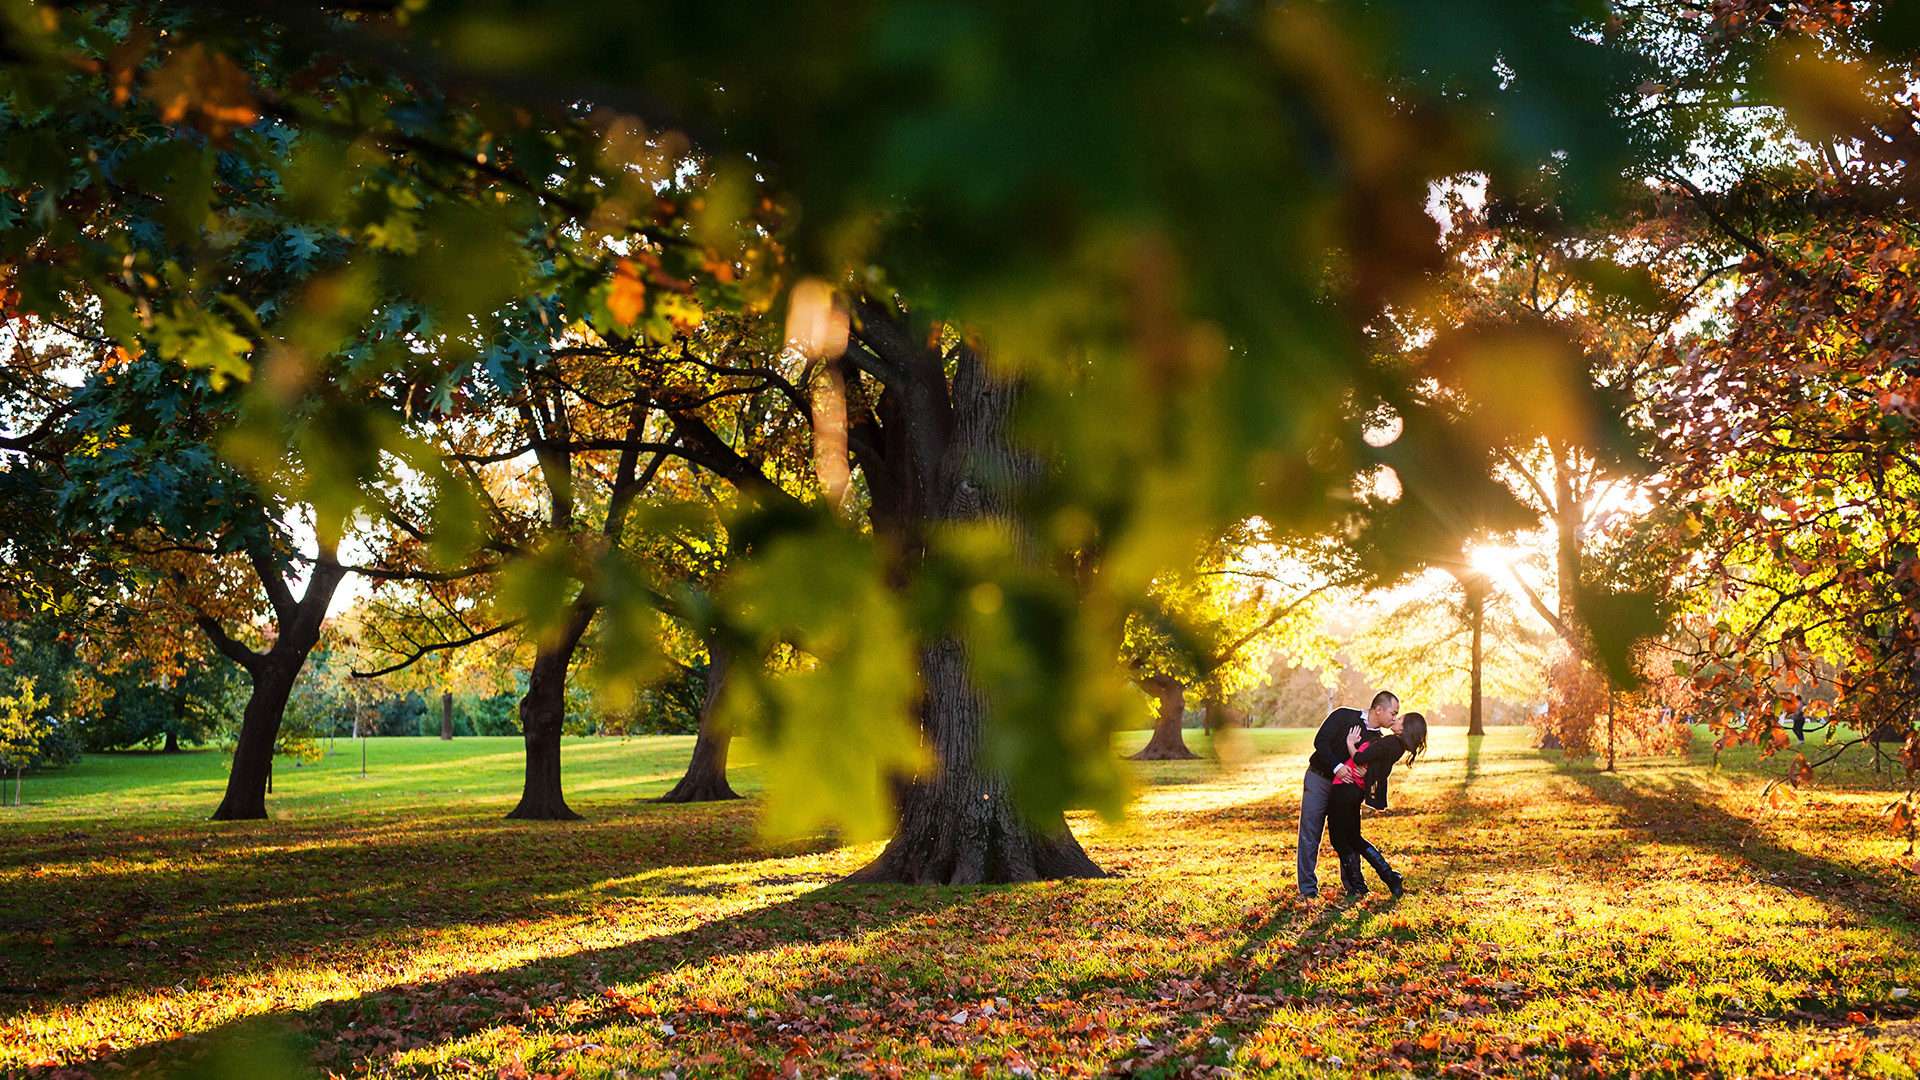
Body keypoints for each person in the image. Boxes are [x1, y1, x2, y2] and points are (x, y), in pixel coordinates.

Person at [1297, 690, 1398, 899]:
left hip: (1347, 790)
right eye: (1393, 713)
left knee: (1348, 834)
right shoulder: (1343, 715)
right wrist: (1337, 767)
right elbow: (1321, 741)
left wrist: (1367, 772)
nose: (1394, 718)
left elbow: (1379, 770)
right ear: (1379, 709)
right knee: (1310, 832)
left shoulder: (1380, 740)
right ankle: (1307, 890)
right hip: (1319, 779)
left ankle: (1354, 888)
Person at [1327, 711, 1428, 899]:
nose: (1396, 719)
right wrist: (1368, 771)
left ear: (1404, 728)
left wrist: (1350, 743)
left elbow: (1359, 759)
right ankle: (1389, 877)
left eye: (1400, 719)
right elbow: (1377, 766)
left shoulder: (1390, 743)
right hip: (1355, 790)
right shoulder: (1397, 746)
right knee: (1354, 838)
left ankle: (1360, 887)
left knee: (1339, 839)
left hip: (1345, 787)